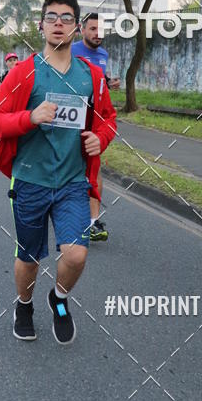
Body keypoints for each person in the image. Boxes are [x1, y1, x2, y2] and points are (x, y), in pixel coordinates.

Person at [0, 0, 117, 344]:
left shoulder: (92, 75)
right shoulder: (25, 73)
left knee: (77, 253)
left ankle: (59, 297)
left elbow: (107, 119)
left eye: (67, 18)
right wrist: (29, 117)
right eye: (52, 17)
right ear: (41, 25)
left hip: (72, 182)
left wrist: (101, 138)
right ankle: (24, 304)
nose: (59, 23)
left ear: (77, 27)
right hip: (30, 181)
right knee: (30, 257)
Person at [71, 13, 120, 242]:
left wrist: (109, 84)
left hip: (94, 121)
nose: (97, 34)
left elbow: (99, 82)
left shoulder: (103, 54)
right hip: (70, 118)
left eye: (100, 30)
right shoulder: (71, 50)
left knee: (94, 168)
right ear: (82, 29)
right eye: (92, 29)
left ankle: (93, 221)